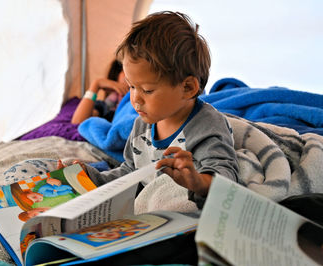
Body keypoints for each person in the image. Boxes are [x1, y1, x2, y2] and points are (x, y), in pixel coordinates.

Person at [60, 11, 239, 213]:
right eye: (131, 86)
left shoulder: (206, 125)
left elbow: (225, 177)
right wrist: (91, 178)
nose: (135, 98)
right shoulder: (141, 125)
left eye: (147, 90)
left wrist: (197, 182)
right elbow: (130, 174)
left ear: (188, 88)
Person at [71, 60, 129, 124]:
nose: (131, 75)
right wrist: (96, 85)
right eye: (126, 70)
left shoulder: (138, 104)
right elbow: (78, 122)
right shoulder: (106, 106)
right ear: (116, 74)